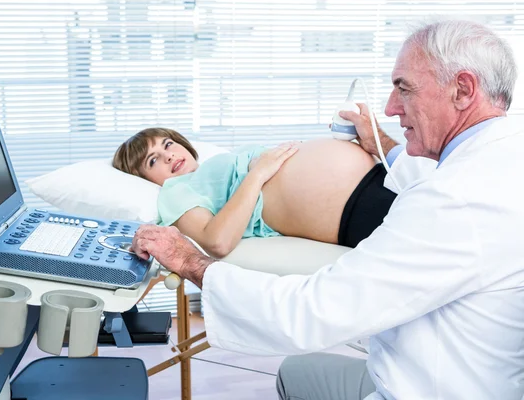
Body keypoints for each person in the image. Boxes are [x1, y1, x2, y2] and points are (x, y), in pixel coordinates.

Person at [130, 19, 524, 400]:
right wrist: (381, 144)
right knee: (301, 370)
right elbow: (428, 179)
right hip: (460, 372)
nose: (389, 107)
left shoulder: (452, 202)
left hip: (428, 388)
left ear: (463, 89)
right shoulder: (495, 161)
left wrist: (189, 262)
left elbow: (312, 311)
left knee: (296, 372)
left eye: (404, 89)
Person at [113, 129, 400, 258]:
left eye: (167, 144)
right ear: (143, 178)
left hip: (385, 175)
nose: (168, 155)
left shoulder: (218, 162)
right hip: (354, 209)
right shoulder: (176, 191)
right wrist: (258, 173)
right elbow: (217, 241)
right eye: (152, 160)